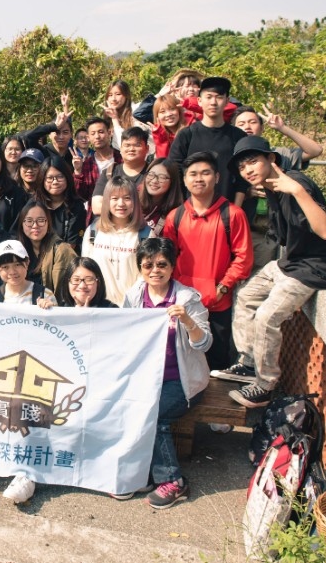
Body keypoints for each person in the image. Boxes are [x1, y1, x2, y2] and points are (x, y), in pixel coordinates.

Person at [217, 137, 326, 408]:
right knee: (246, 294)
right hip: (290, 263)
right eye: (242, 167)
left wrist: (297, 190)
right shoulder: (270, 188)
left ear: (271, 159)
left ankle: (265, 385)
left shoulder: (297, 183)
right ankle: (249, 362)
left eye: (253, 162)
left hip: (313, 268)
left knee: (266, 318)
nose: (247, 170)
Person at [123, 237, 212, 509]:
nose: (155, 271)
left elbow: (205, 342)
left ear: (173, 266)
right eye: (147, 265)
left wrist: (186, 320)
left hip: (181, 381)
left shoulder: (187, 299)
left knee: (155, 416)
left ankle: (174, 480)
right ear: (140, 268)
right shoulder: (135, 296)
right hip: (146, 378)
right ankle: (143, 474)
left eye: (162, 264)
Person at [162, 151, 252, 371]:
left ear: (217, 177)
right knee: (180, 360)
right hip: (182, 303)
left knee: (216, 364)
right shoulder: (176, 216)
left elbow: (244, 257)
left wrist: (222, 287)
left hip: (217, 302)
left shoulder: (233, 214)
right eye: (192, 174)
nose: (199, 178)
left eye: (205, 173)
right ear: (184, 179)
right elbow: (167, 257)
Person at [0, 239, 55, 504]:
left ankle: (27, 474)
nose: (12, 272)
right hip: (4, 365)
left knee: (30, 417)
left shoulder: (43, 293)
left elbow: (55, 331)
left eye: (17, 264)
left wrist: (51, 311)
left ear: (28, 264)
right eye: (4, 267)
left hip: (35, 368)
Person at [232, 105, 325, 270]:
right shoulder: (233, 160)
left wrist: (283, 128)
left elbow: (315, 150)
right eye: (241, 123)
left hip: (275, 227)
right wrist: (247, 192)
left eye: (252, 122)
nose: (247, 127)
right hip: (249, 224)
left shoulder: (276, 154)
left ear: (261, 127)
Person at [168, 77, 247, 204]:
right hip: (191, 211)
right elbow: (174, 172)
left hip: (228, 209)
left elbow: (242, 178)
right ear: (199, 100)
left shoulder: (238, 136)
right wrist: (184, 208)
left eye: (219, 97)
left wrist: (235, 210)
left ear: (227, 101)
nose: (213, 102)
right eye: (208, 97)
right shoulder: (186, 135)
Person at [81, 176, 149, 305]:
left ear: (135, 201)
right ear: (107, 201)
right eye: (115, 198)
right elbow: (86, 270)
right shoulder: (93, 231)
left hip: (132, 308)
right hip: (99, 306)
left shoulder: (145, 234)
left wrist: (130, 302)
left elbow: (146, 275)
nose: (121, 204)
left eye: (127, 198)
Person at [17, 200, 77, 297]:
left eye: (41, 220)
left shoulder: (62, 250)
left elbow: (66, 293)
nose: (35, 226)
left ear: (48, 222)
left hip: (52, 307)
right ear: (22, 224)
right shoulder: (17, 250)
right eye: (29, 221)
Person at [91, 126, 150, 217]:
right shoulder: (109, 173)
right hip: (113, 228)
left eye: (137, 145)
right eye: (127, 145)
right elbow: (97, 206)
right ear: (121, 149)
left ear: (147, 148)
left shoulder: (152, 173)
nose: (131, 149)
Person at [35, 156, 86, 249]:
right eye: (50, 178)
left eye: (60, 177)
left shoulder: (76, 206)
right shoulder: (35, 204)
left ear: (67, 178)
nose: (55, 182)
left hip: (65, 258)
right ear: (42, 180)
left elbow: (70, 246)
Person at [73, 117, 121, 205]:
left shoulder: (121, 158)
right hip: (97, 212)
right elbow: (82, 195)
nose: (97, 136)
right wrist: (78, 171)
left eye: (101, 132)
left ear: (109, 133)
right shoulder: (87, 164)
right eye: (93, 133)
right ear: (88, 137)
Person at [140, 159, 184, 234]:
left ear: (172, 182)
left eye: (162, 177)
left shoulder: (178, 213)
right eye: (151, 175)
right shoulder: (132, 201)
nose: (154, 181)